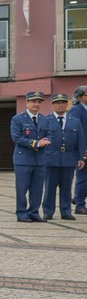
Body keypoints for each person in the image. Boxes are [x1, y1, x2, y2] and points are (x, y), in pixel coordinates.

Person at [42, 93, 86, 220]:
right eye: (57, 103)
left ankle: (66, 212)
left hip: (69, 158)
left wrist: (81, 158)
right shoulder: (46, 120)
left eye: (63, 102)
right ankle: (48, 211)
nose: (60, 105)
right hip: (51, 159)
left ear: (67, 104)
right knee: (50, 187)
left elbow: (81, 141)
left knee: (66, 188)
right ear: (52, 105)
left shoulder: (75, 122)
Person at [10, 91, 53, 222]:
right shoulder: (18, 119)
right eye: (33, 101)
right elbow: (16, 137)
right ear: (26, 102)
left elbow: (50, 134)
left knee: (37, 188)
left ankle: (34, 212)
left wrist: (47, 141)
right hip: (23, 160)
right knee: (22, 188)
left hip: (40, 160)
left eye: (38, 102)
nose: (36, 104)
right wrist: (36, 143)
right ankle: (21, 213)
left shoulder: (45, 119)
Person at [70, 86, 87, 215]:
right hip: (83, 150)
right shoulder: (76, 110)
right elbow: (74, 132)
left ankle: (78, 197)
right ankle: (80, 205)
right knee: (83, 177)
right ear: (79, 97)